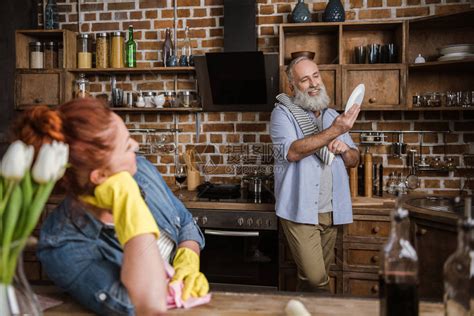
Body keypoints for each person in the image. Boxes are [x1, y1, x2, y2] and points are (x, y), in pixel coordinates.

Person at [13, 98, 208, 315]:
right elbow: (147, 303)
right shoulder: (62, 246)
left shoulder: (141, 169)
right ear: (100, 176)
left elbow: (185, 222)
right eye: (126, 146)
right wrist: (128, 201)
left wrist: (187, 261)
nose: (136, 146)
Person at [270, 56, 360, 292]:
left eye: (316, 76)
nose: (313, 83)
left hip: (331, 211)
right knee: (317, 280)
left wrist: (345, 149)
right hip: (299, 210)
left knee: (309, 280)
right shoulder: (283, 114)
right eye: (304, 80)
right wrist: (335, 132)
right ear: (292, 87)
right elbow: (292, 151)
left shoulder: (332, 116)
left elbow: (354, 160)